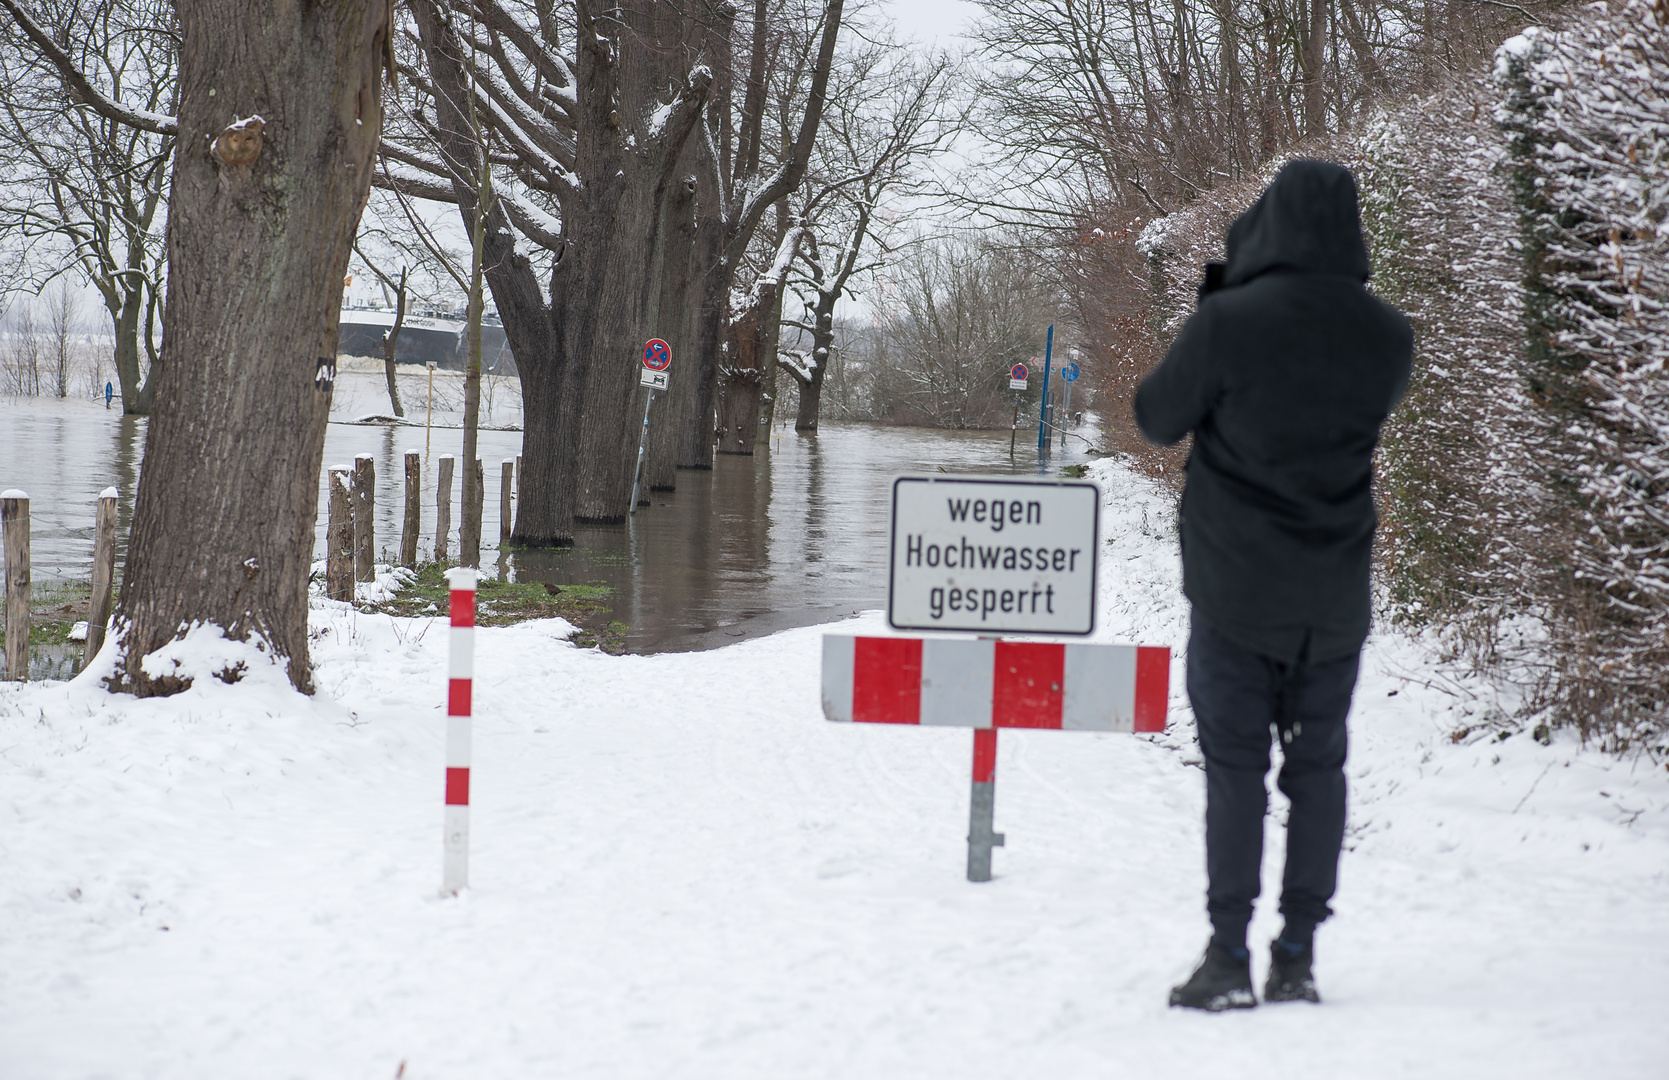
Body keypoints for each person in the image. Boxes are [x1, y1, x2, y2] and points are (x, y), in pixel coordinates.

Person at [1132, 160, 1413, 1011]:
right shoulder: (1387, 335)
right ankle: (1296, 953)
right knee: (1318, 768)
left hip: (1232, 593)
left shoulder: (1229, 322)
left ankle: (1227, 956)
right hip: (1331, 597)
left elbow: (1155, 416)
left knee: (1235, 772)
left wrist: (1210, 309)